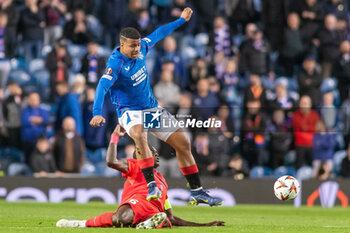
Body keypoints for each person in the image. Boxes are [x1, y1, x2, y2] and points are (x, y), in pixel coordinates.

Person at [90, 7, 223, 206]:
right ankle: (151, 184)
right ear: (122, 44)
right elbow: (102, 86)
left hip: (151, 109)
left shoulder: (142, 47)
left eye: (138, 45)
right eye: (133, 46)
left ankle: (197, 191)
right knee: (139, 134)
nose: (137, 49)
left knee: (183, 143)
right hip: (129, 111)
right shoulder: (115, 63)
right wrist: (97, 112)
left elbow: (159, 33)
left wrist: (181, 21)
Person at [56, 125, 225, 229]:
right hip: (135, 206)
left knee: (165, 220)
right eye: (152, 152)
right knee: (121, 218)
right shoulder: (135, 166)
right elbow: (111, 161)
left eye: (156, 153)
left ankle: (148, 223)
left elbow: (172, 217)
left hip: (154, 213)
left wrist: (205, 225)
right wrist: (115, 137)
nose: (156, 155)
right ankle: (82, 223)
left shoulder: (163, 182)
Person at [292, 95, 319, 169]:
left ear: (310, 104)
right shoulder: (296, 115)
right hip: (300, 144)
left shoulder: (315, 115)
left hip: (312, 144)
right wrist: (309, 128)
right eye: (303, 103)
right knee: (298, 165)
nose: (304, 105)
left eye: (306, 103)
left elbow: (316, 128)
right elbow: (301, 126)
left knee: (313, 165)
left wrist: (307, 128)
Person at [21, 92, 49, 163]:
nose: (33, 101)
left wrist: (32, 119)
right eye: (32, 99)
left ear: (39, 100)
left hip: (39, 140)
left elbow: (45, 120)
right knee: (28, 159)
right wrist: (39, 120)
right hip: (27, 140)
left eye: (35, 99)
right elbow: (25, 121)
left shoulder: (43, 111)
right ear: (29, 100)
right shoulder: (24, 111)